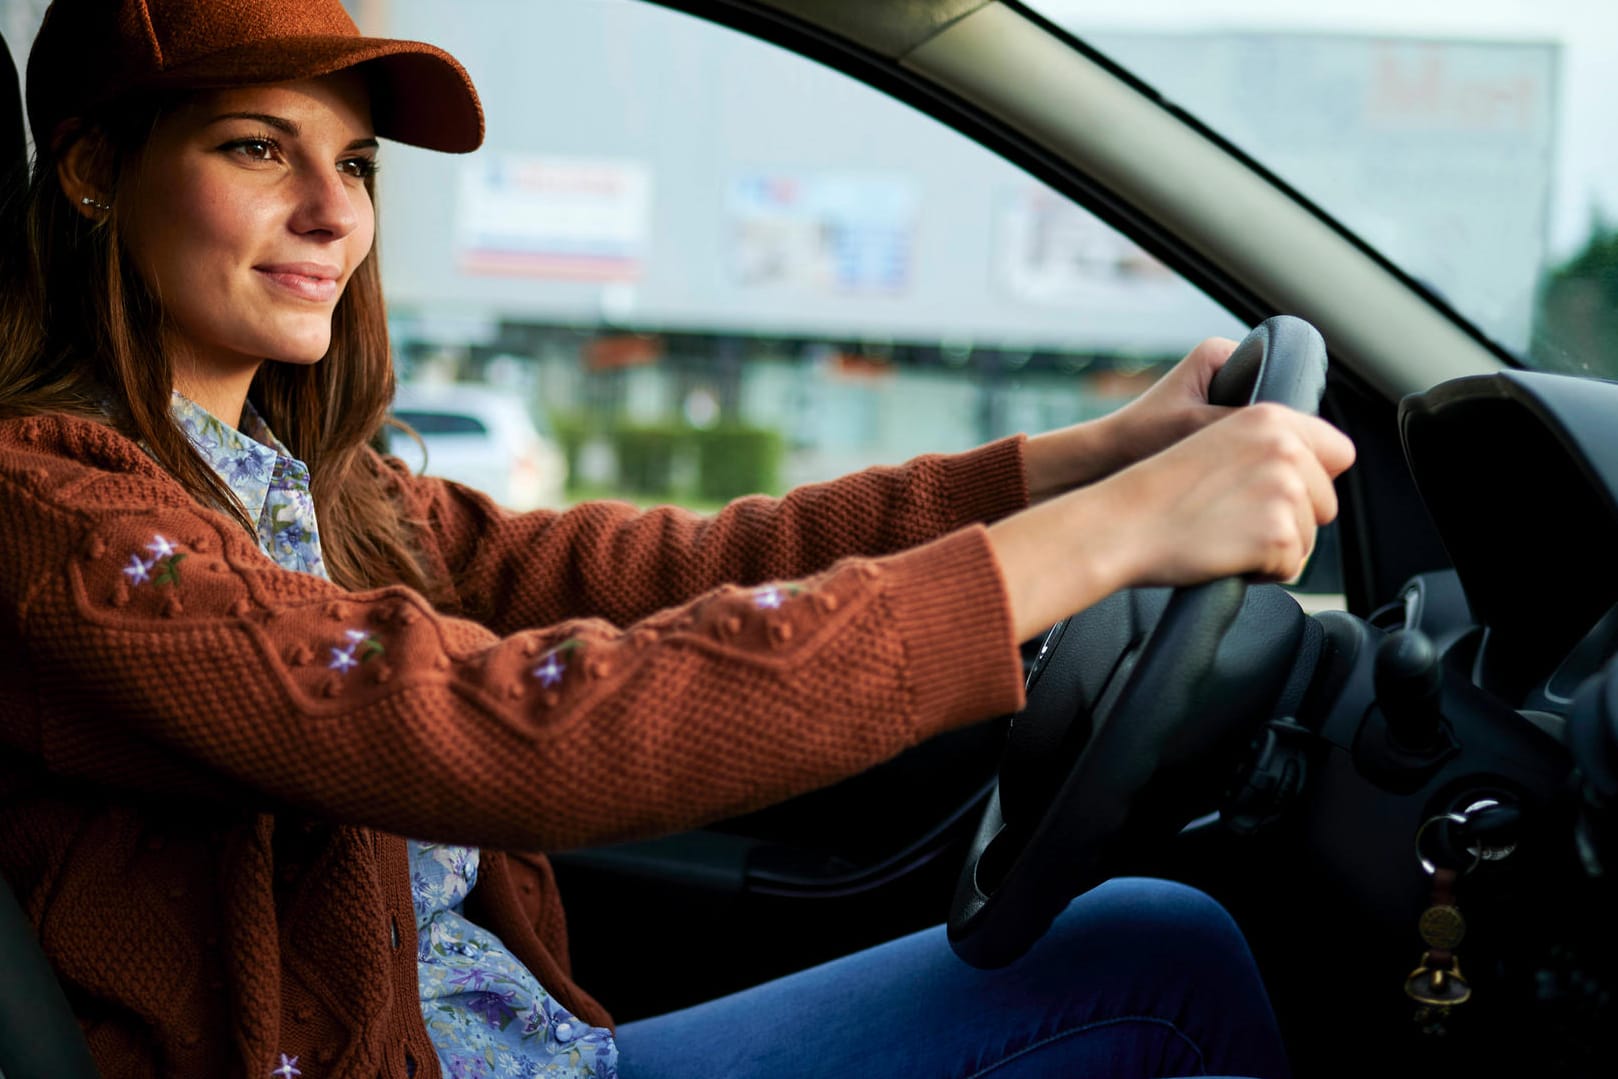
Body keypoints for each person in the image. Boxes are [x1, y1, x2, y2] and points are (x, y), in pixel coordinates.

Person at [0, 1, 1354, 1076]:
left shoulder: (300, 486)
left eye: (351, 162)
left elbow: (651, 570)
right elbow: (515, 729)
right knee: (1159, 981)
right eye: (255, 147)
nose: (333, 210)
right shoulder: (54, 517)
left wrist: (1067, 468)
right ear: (95, 174)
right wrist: (1099, 542)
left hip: (527, 1054)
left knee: (1156, 949)